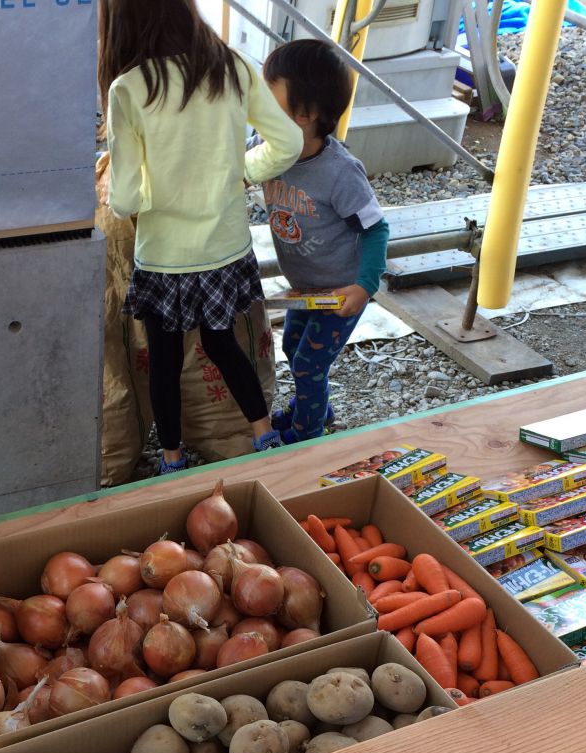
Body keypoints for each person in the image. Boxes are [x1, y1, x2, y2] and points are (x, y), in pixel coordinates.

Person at [100, 0, 303, 474]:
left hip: (164, 257)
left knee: (165, 360)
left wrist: (142, 190)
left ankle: (172, 460)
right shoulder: (233, 66)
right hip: (225, 250)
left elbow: (124, 200)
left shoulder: (128, 87)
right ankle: (264, 434)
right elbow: (289, 143)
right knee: (222, 344)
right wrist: (243, 171)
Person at [257, 39, 390, 445]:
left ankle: (307, 433)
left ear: (305, 115)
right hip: (304, 287)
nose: (258, 113)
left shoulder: (339, 172)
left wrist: (364, 286)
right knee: (292, 346)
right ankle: (315, 409)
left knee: (309, 363)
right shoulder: (265, 151)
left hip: (340, 291)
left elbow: (375, 229)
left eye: (268, 104)